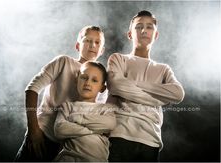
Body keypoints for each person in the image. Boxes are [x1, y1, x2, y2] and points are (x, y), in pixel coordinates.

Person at [14, 25, 105, 161]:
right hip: (42, 134)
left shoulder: (101, 80)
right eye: (87, 40)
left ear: (102, 50)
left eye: (97, 42)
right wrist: (33, 130)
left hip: (69, 147)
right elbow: (32, 89)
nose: (92, 45)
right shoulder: (64, 62)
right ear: (77, 46)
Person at [106, 10, 185, 162]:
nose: (143, 30)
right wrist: (158, 100)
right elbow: (116, 86)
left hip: (151, 139)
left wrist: (130, 83)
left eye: (149, 27)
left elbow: (178, 94)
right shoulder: (118, 58)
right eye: (138, 26)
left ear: (156, 35)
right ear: (130, 34)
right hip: (119, 135)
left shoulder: (163, 69)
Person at [53, 61, 116, 162]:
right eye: (84, 77)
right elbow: (60, 130)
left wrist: (78, 119)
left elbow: (110, 124)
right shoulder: (67, 106)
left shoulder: (105, 109)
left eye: (94, 80)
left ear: (102, 88)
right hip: (68, 159)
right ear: (76, 79)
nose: (88, 83)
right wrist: (94, 130)